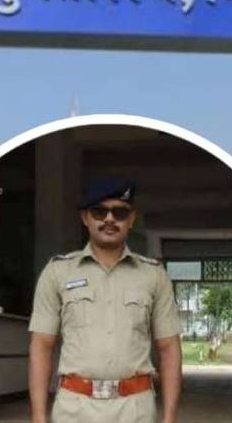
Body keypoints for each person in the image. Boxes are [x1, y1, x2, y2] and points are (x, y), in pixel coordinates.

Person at [28, 177, 182, 423]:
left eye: (119, 213)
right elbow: (41, 345)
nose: (109, 219)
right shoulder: (58, 272)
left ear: (131, 219)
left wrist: (170, 418)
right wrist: (38, 417)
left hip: (136, 411)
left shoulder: (154, 275)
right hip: (74, 410)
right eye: (99, 212)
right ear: (85, 217)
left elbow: (169, 348)